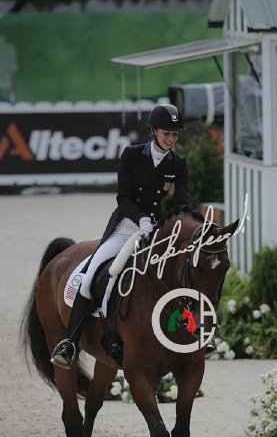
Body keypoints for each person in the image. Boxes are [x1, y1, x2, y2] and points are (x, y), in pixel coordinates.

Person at [50, 104, 189, 369]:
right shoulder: (132, 155)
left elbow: (181, 202)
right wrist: (141, 219)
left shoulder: (177, 163)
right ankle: (70, 343)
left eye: (175, 134)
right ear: (153, 131)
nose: (171, 139)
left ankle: (189, 331)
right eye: (166, 133)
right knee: (90, 278)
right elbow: (123, 198)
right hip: (126, 227)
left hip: (156, 232)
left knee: (179, 274)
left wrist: (174, 224)